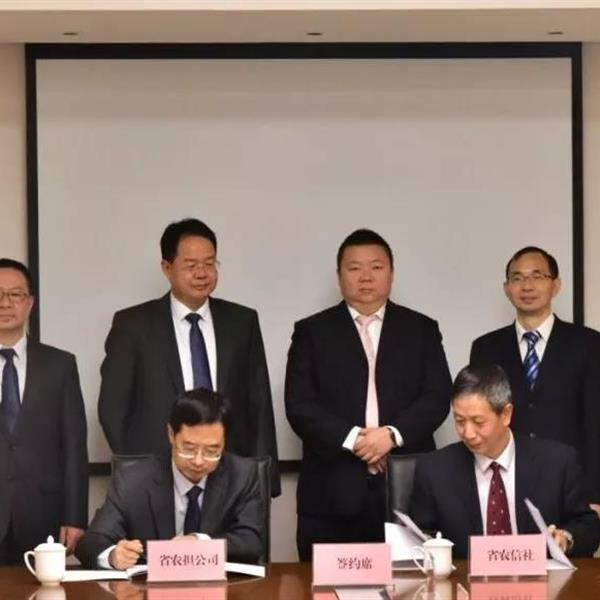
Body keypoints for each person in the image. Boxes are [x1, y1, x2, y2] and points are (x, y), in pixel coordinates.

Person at [285, 229, 452, 560]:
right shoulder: (311, 332)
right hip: (331, 495)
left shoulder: (421, 329)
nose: (365, 277)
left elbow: (437, 396)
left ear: (391, 273)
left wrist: (390, 435)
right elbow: (300, 405)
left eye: (376, 267)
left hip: (407, 489)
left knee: (411, 583)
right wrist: (355, 440)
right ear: (339, 275)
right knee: (326, 584)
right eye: (354, 268)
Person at [98, 218, 280, 496]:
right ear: (167, 267)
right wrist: (139, 473)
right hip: (157, 478)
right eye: (191, 265)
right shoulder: (132, 325)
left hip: (230, 476)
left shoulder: (242, 322)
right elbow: (112, 409)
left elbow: (259, 405)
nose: (202, 273)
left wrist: (264, 482)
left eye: (209, 263)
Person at [409, 365, 600, 559]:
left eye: (478, 422)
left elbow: (588, 526)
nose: (468, 433)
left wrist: (565, 539)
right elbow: (418, 538)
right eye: (460, 421)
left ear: (506, 414)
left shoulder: (557, 462)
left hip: (540, 576)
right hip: (466, 577)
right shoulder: (434, 470)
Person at [469, 246, 600, 515]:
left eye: (537, 276)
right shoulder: (485, 347)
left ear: (556, 285)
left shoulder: (588, 344)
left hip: (571, 484)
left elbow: (595, 422)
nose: (527, 286)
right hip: (505, 482)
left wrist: (595, 494)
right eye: (517, 278)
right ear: (507, 288)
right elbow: (480, 418)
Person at [76, 388, 265, 568]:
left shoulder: (242, 476)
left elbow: (251, 541)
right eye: (189, 449)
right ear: (171, 434)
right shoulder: (133, 480)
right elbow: (91, 542)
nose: (198, 461)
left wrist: (201, 543)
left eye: (211, 451)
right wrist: (112, 556)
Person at [0, 258, 88, 565]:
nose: (5, 303)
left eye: (15, 294)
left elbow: (74, 446)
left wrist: (75, 517)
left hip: (42, 516)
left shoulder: (60, 365)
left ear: (30, 303)